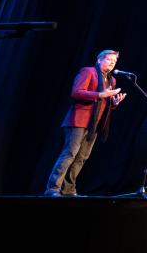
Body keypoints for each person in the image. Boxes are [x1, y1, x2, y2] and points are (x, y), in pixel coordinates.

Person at [44, 49, 125, 196]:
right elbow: (76, 92)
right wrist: (100, 94)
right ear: (99, 59)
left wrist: (114, 102)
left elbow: (104, 102)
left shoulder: (111, 80)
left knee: (82, 157)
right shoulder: (88, 72)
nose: (113, 63)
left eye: (115, 61)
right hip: (79, 120)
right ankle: (52, 189)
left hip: (95, 124)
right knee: (70, 154)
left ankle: (68, 190)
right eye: (109, 59)